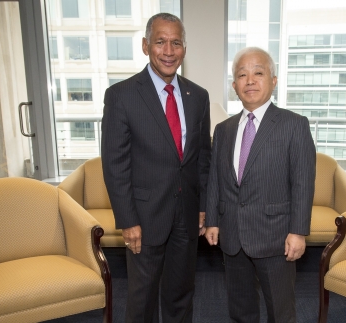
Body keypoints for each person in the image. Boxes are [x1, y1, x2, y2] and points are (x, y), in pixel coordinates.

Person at [101, 13, 211, 323]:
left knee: (180, 294)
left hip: (186, 217)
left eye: (176, 43)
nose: (168, 50)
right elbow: (115, 165)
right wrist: (127, 219)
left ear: (184, 49)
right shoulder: (121, 96)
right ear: (146, 46)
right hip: (144, 219)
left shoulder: (198, 96)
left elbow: (202, 158)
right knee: (142, 298)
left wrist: (202, 207)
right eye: (160, 42)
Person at [205, 47, 316, 323]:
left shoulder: (294, 125)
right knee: (240, 310)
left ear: (274, 80)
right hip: (232, 236)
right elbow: (216, 179)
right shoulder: (224, 129)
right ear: (234, 85)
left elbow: (303, 182)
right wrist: (213, 221)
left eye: (258, 73)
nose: (250, 80)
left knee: (281, 311)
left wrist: (298, 232)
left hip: (276, 238)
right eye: (242, 75)